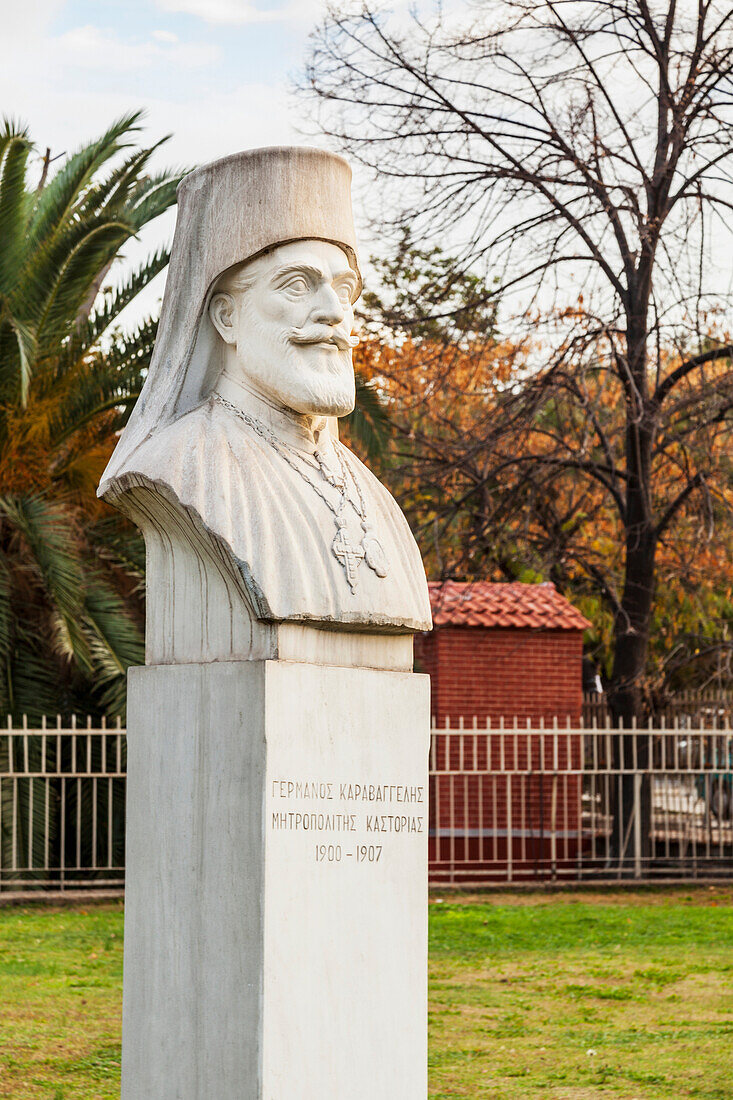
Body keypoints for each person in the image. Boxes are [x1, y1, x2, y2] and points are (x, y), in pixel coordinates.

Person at [99, 147, 431, 662]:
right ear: (226, 317)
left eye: (346, 290)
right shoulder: (177, 467)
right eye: (298, 285)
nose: (334, 314)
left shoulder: (375, 497)